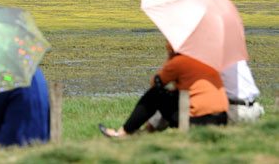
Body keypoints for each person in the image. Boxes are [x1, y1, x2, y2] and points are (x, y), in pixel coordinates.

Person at [98, 41, 228, 138]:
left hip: (197, 121)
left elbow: (156, 83)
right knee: (172, 95)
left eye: (167, 42)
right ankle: (145, 132)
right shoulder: (205, 59)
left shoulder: (179, 62)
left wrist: (170, 59)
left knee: (156, 95)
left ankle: (123, 133)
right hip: (221, 119)